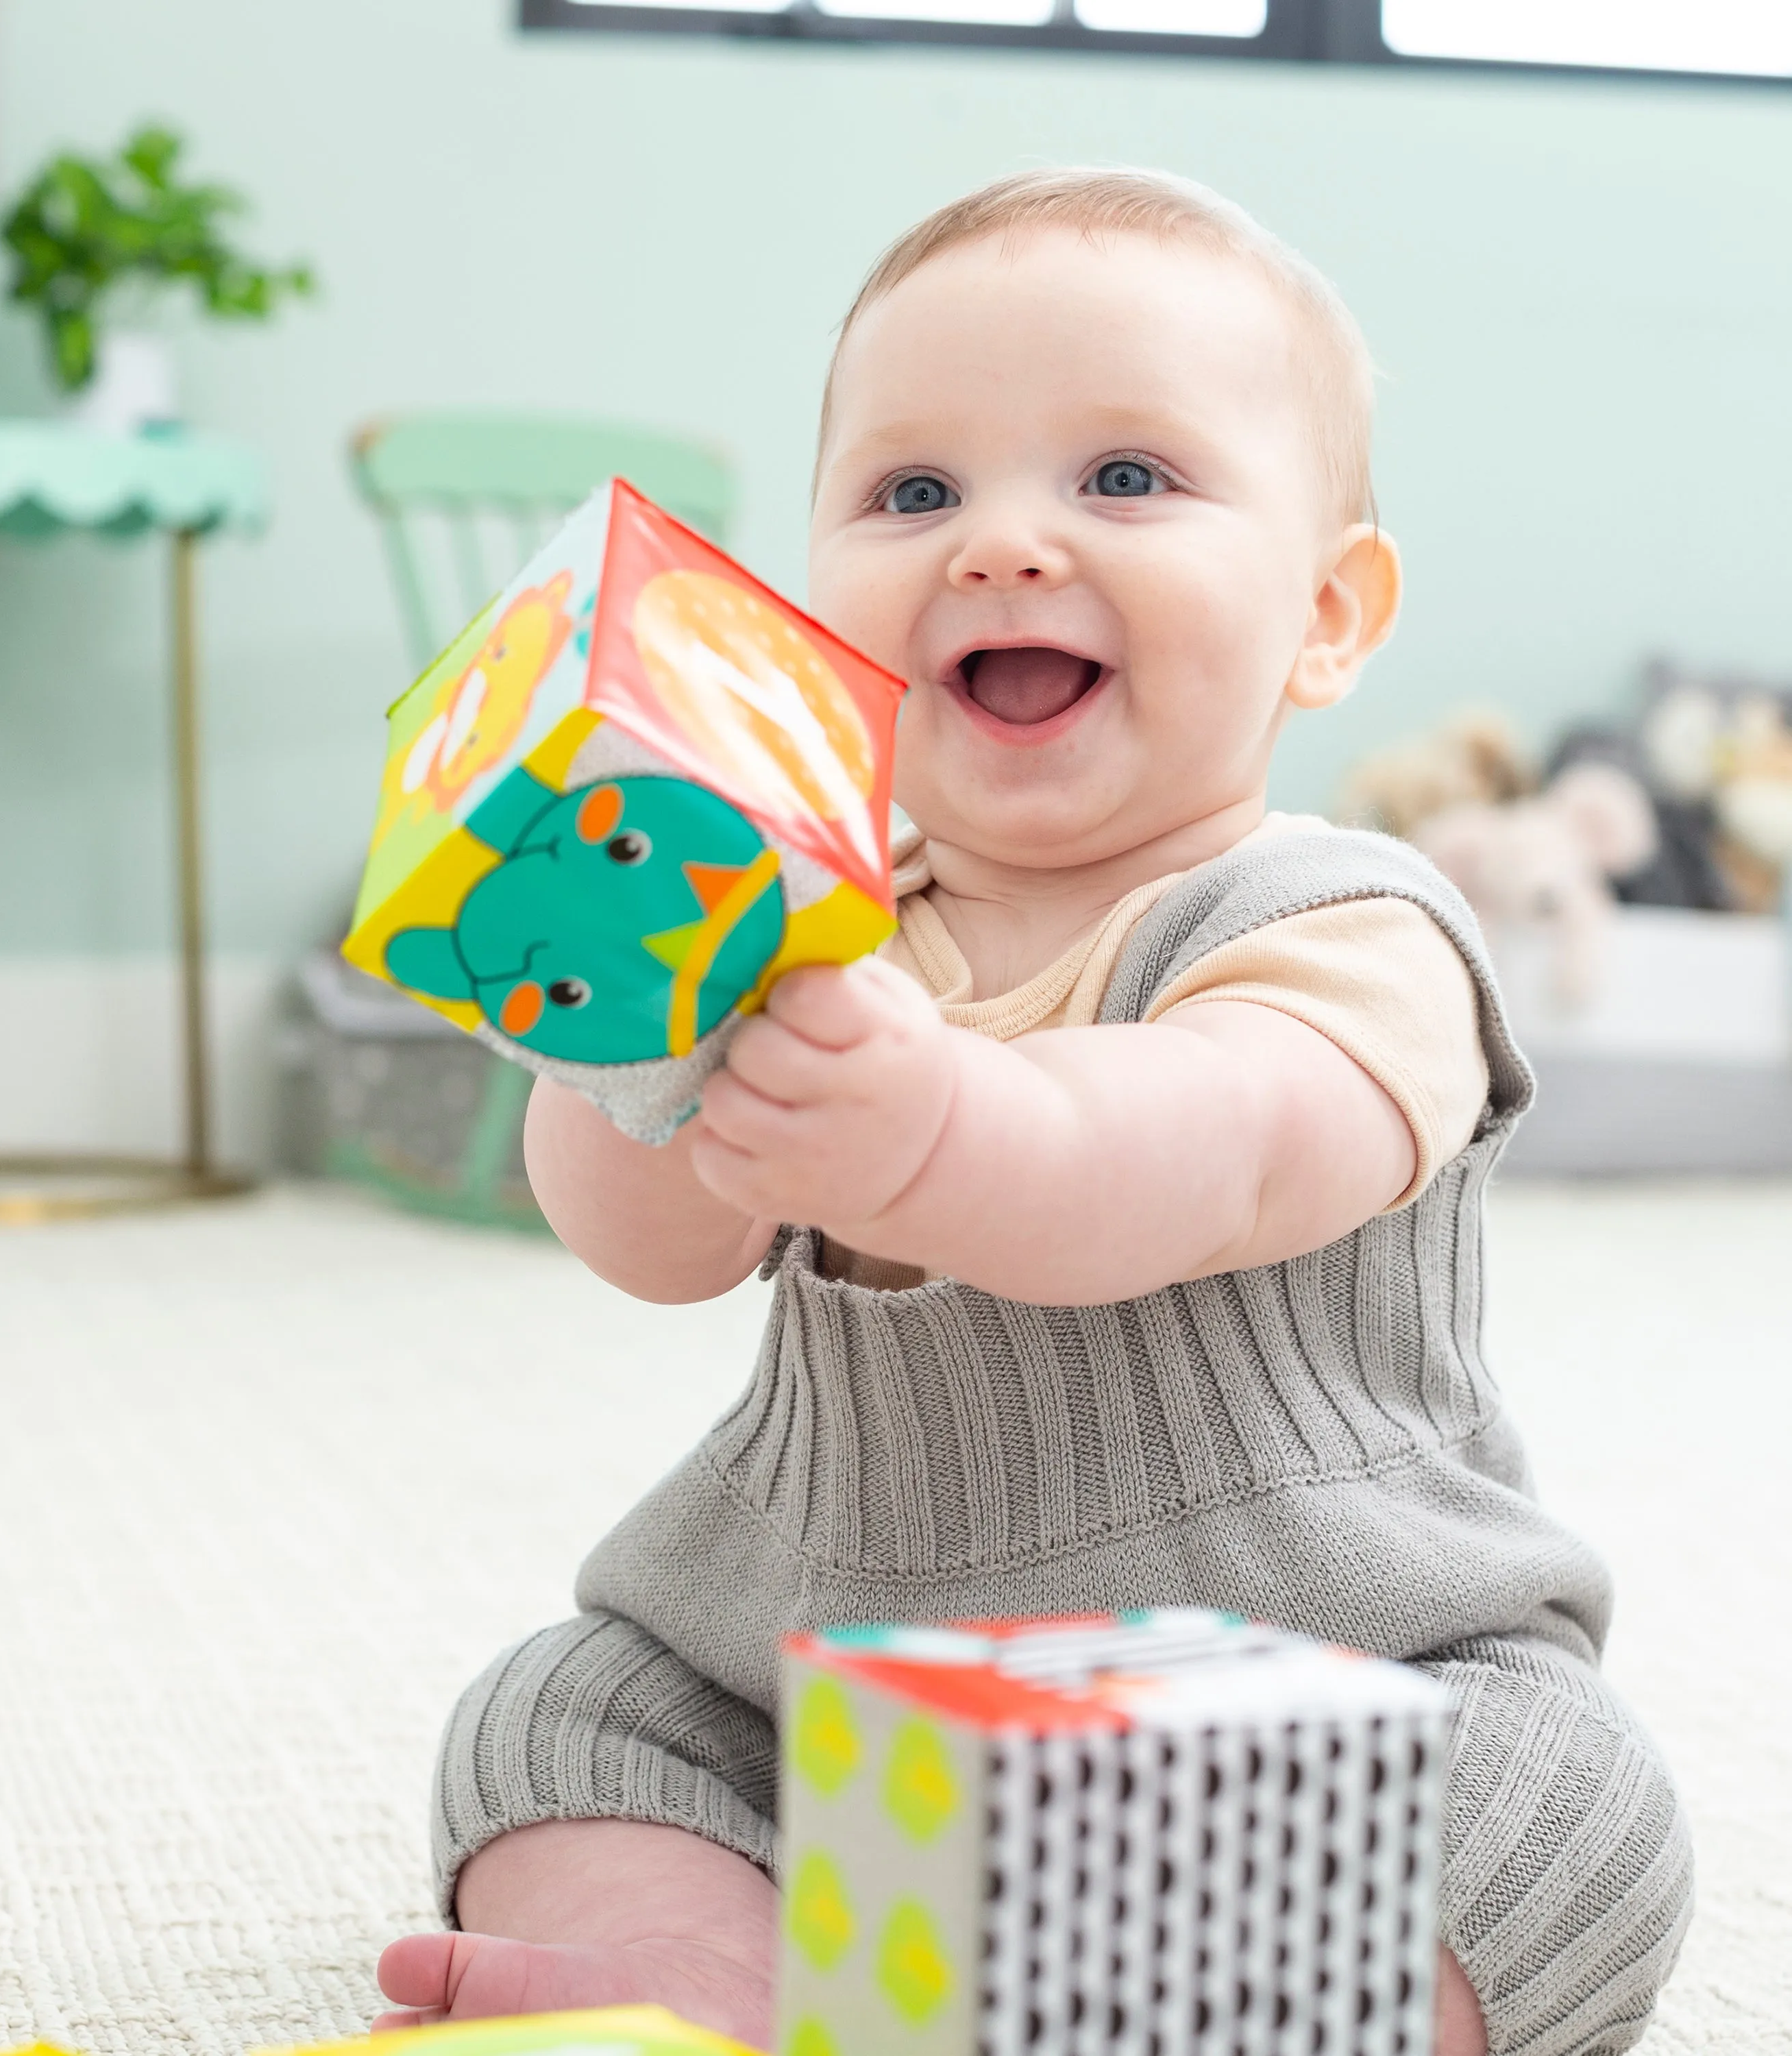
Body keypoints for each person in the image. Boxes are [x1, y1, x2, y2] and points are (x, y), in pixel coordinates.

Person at [376, 169, 1691, 2056]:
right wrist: (616, 1015)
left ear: (1326, 616)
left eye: (1126, 479)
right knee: (562, 1715)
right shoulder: (816, 929)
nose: (999, 544)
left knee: (1562, 1815)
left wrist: (929, 1134)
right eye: (914, 494)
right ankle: (722, 1996)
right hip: (829, 1681)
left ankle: (1202, 2001)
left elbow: (1211, 1142)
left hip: (1319, 1679)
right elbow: (652, 1248)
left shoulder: (1350, 925)